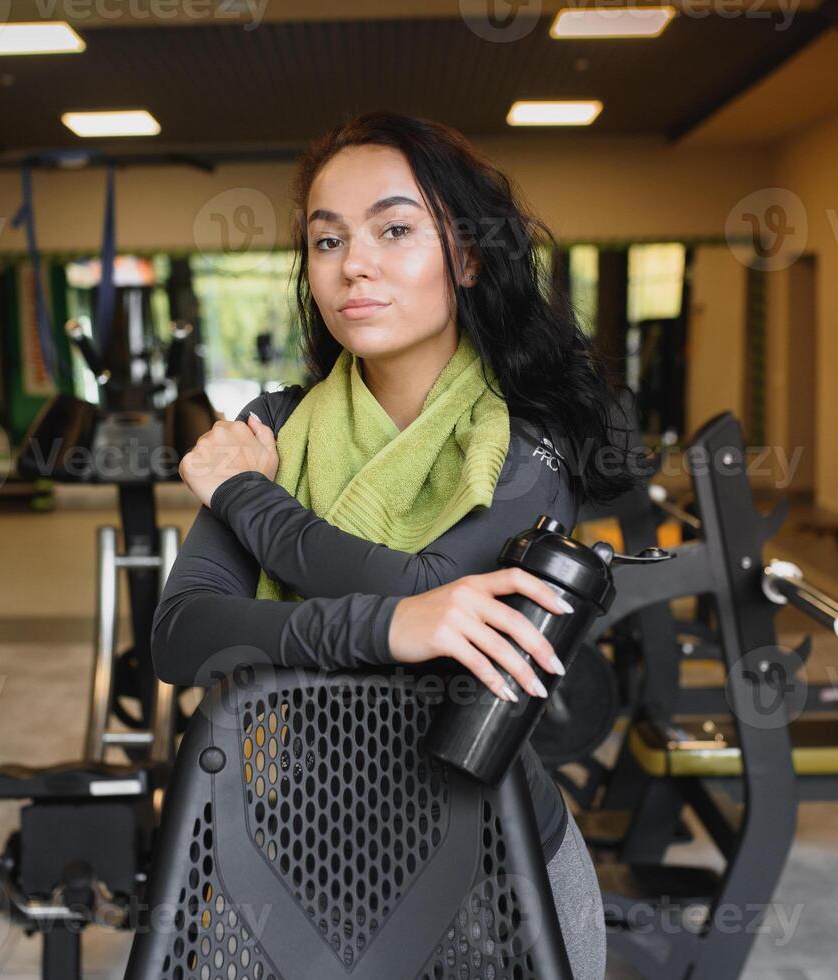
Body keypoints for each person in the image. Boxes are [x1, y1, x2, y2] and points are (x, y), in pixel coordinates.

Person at [153, 111, 640, 978]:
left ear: (469, 254)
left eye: (396, 229)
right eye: (327, 239)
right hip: (286, 857)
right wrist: (387, 626)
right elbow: (184, 634)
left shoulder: (529, 442)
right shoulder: (275, 428)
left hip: (500, 862)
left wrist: (242, 497)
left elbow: (435, 591)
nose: (355, 265)